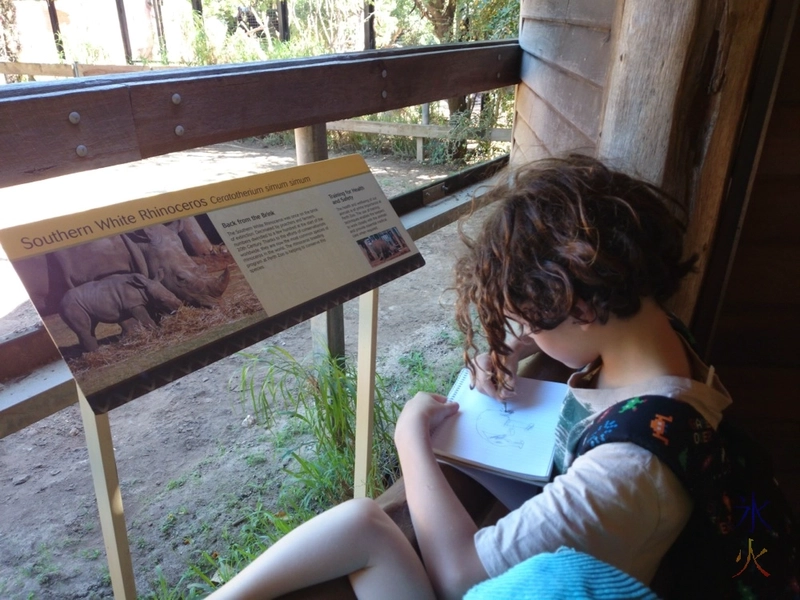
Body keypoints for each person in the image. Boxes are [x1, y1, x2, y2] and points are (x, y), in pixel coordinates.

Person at [206, 155, 732, 600]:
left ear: (579, 306)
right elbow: (580, 321)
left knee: (363, 524)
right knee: (359, 520)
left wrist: (408, 437)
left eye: (527, 318)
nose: (522, 331)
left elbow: (459, 576)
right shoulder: (663, 347)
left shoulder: (628, 474)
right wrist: (512, 345)